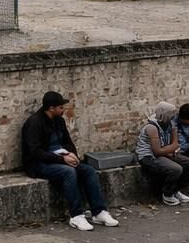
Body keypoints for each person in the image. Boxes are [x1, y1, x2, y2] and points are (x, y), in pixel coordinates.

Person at [20, 91, 119, 232]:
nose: (63, 110)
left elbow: (67, 142)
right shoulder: (34, 123)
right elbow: (35, 152)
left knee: (88, 170)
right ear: (51, 108)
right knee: (69, 172)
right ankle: (76, 215)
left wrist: (73, 155)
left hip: (60, 159)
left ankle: (98, 212)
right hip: (38, 164)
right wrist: (62, 159)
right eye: (60, 107)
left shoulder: (59, 121)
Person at [137, 101, 189, 204]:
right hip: (149, 156)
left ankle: (175, 190)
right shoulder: (152, 127)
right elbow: (157, 151)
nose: (173, 116)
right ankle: (167, 194)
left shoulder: (171, 124)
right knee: (176, 169)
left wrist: (172, 147)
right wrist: (173, 147)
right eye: (171, 114)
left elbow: (175, 144)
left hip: (165, 153)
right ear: (165, 114)